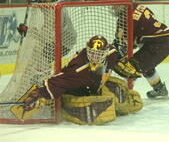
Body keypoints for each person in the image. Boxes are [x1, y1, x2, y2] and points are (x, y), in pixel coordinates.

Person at [11, 36, 143, 124]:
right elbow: (57, 81)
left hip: (93, 82)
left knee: (116, 88)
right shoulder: (78, 70)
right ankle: (65, 108)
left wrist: (123, 60)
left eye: (98, 54)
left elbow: (115, 52)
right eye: (91, 53)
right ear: (87, 50)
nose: (95, 57)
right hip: (77, 89)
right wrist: (38, 94)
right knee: (102, 111)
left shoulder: (110, 53)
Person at [111, 0, 169, 99]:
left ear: (123, 4)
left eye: (115, 6)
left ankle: (127, 95)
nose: (113, 9)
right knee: (145, 65)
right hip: (161, 42)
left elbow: (123, 46)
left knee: (130, 67)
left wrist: (113, 52)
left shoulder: (125, 19)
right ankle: (160, 89)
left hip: (158, 45)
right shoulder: (137, 6)